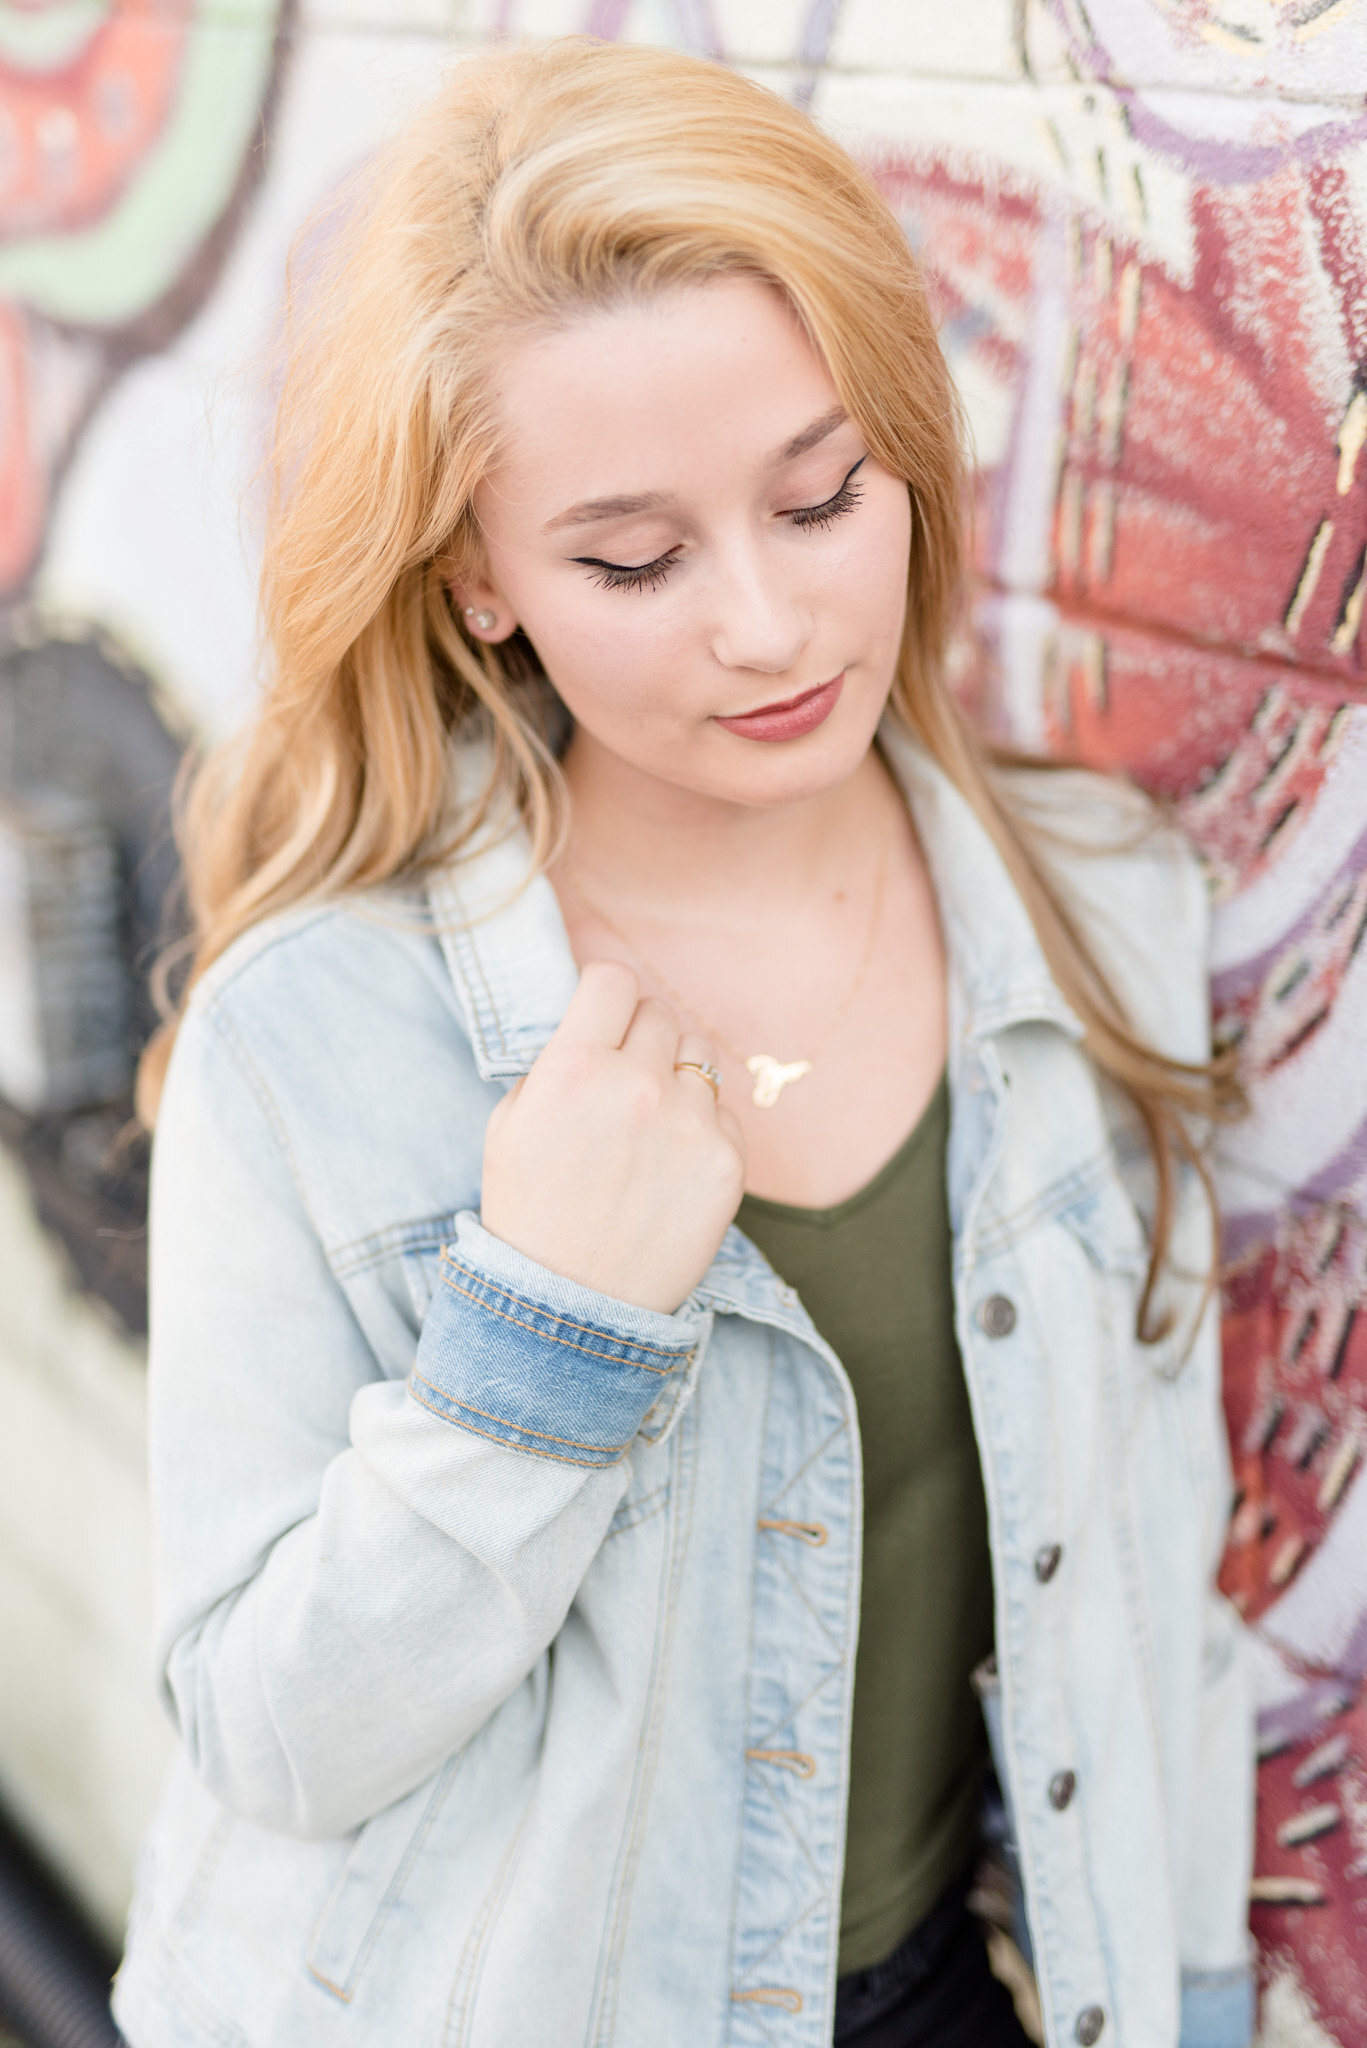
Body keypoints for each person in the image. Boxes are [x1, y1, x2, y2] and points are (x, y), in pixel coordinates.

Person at [113, 38, 1255, 2048]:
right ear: (477, 577)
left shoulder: (1096, 904)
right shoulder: (320, 1034)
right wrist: (536, 1338)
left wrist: (1196, 2002)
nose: (768, 621)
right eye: (633, 560)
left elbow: (1156, 1588)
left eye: (822, 495)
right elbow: (265, 1733)